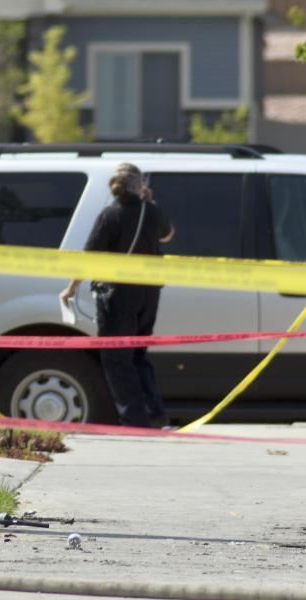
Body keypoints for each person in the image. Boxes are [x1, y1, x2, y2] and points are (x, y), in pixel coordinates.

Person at [60, 163, 175, 428]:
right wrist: (149, 201)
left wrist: (72, 287)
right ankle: (154, 414)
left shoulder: (110, 215)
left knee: (116, 358)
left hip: (119, 295)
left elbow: (91, 257)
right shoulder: (154, 211)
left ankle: (134, 419)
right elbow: (168, 235)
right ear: (139, 186)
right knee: (138, 355)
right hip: (149, 293)